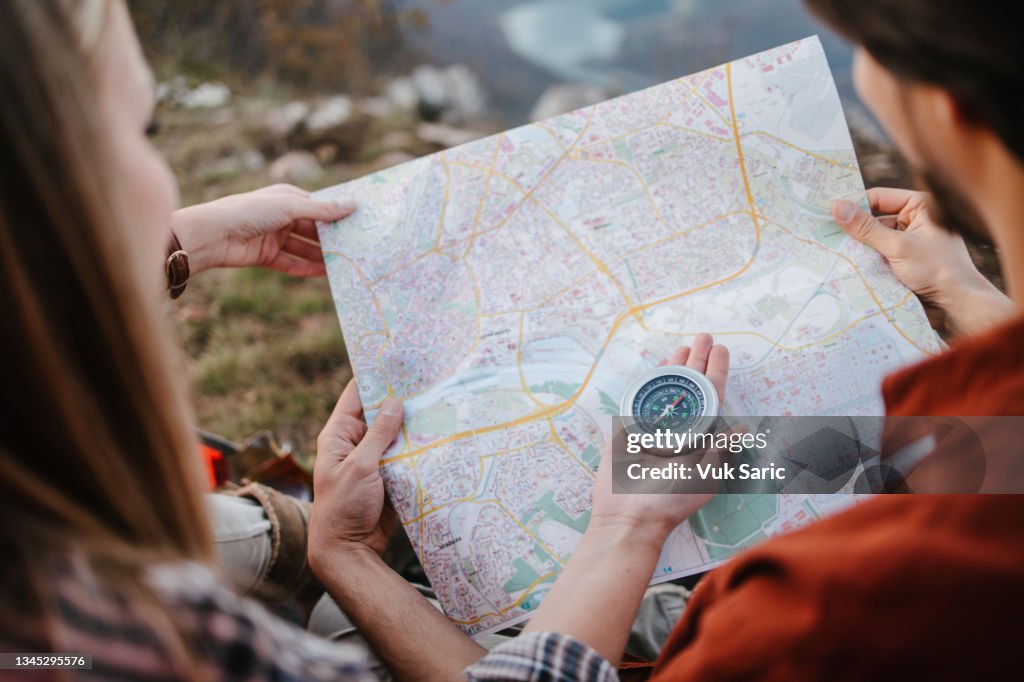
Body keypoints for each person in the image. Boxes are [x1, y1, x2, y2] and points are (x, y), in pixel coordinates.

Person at [303, 1, 1024, 681]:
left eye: (870, 53)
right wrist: (962, 295)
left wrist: (346, 558)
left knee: (341, 622)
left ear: (945, 108)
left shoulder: (793, 614)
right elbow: (996, 452)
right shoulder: (977, 445)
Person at [0, 1, 718, 679]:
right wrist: (626, 523)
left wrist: (182, 241)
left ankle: (297, 547)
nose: (165, 176)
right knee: (342, 628)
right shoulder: (132, 638)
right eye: (142, 131)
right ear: (55, 187)